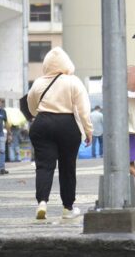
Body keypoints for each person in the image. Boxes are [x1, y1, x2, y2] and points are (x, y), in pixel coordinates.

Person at [27, 47, 92, 220]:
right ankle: (67, 208)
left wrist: (42, 114)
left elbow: (32, 107)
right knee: (67, 167)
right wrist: (88, 130)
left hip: (42, 124)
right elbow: (83, 109)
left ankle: (42, 202)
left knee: (44, 166)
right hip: (67, 125)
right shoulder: (73, 81)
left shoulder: (39, 82)